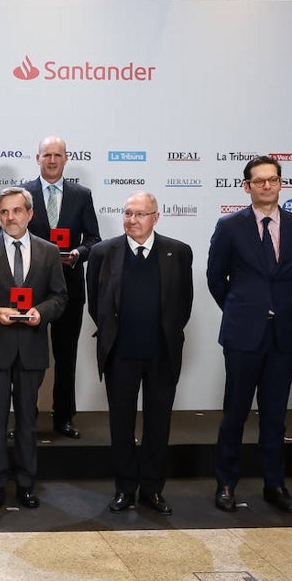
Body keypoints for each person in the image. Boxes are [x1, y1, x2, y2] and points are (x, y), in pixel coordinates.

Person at [207, 155, 292, 514]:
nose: (267, 185)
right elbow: (215, 277)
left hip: (283, 334)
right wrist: (242, 308)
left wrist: (275, 306)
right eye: (259, 181)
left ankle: (274, 484)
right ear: (247, 186)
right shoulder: (229, 225)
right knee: (234, 413)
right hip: (243, 334)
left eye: (273, 179)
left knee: (275, 415)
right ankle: (225, 484)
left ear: (281, 183)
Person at [0, 187, 66, 509]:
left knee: (27, 421)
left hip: (32, 349)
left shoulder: (49, 252)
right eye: (4, 212)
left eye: (17, 211)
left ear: (30, 214)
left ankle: (26, 484)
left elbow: (60, 297)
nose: (11, 217)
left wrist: (41, 313)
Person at [87, 192, 193, 515]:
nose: (131, 220)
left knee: (158, 424)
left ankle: (152, 489)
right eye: (127, 213)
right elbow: (96, 304)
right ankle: (124, 488)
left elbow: (183, 305)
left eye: (140, 214)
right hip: (121, 354)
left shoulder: (179, 252)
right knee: (121, 425)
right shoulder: (103, 252)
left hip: (161, 354)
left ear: (155, 217)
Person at [24, 135, 100, 439]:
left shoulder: (82, 195)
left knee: (66, 357)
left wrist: (78, 254)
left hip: (69, 288)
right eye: (47, 155)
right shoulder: (24, 193)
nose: (52, 160)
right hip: (32, 289)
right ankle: (26, 418)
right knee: (29, 357)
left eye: (57, 155)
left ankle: (64, 417)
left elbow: (93, 240)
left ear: (66, 158)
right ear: (37, 158)